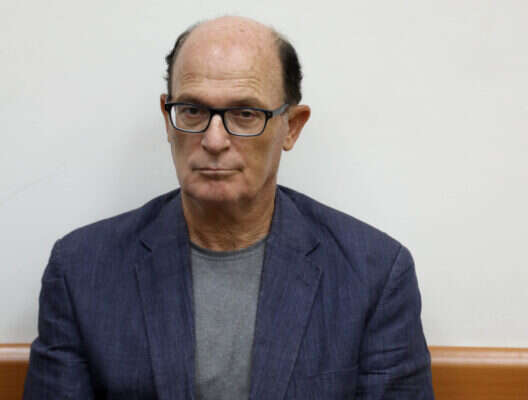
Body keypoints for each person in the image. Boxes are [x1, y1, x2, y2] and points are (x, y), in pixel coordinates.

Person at [23, 16, 434, 399]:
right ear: (167, 119)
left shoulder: (375, 274)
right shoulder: (82, 270)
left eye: (244, 114)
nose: (214, 140)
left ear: (291, 127)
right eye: (192, 111)